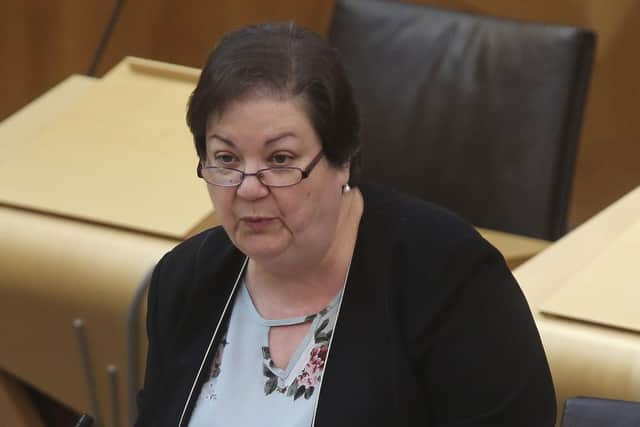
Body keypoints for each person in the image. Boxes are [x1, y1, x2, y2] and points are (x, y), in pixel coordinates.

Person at [135, 22, 556, 427]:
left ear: (342, 160)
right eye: (226, 160)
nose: (248, 189)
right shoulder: (185, 282)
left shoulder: (449, 280)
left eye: (280, 160)